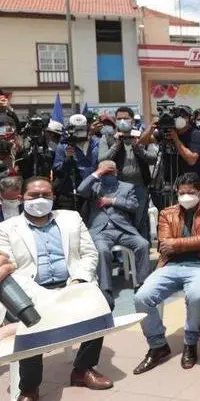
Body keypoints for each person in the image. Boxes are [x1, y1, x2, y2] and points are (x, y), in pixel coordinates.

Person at [0, 177, 113, 399]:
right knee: (31, 319)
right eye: (34, 195)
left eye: (46, 195)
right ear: (22, 197)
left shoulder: (71, 218)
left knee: (102, 303)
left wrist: (78, 281)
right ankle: (29, 386)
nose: (40, 199)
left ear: (53, 197)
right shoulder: (6, 228)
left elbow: (89, 253)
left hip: (72, 284)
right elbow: (10, 269)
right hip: (32, 290)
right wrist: (45, 297)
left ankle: (83, 369)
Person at [132, 173, 200, 374]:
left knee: (197, 295)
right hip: (171, 265)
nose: (186, 196)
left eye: (191, 192)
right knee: (141, 297)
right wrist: (182, 244)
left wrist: (176, 244)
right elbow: (164, 246)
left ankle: (190, 342)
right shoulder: (167, 213)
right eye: (182, 193)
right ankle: (157, 345)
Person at [77, 160, 151, 303]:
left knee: (143, 244)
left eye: (110, 172)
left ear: (117, 172)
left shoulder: (127, 187)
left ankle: (143, 283)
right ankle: (106, 290)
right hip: (101, 231)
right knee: (102, 250)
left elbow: (134, 205)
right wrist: (98, 173)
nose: (108, 175)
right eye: (105, 173)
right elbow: (80, 190)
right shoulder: (94, 187)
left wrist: (113, 201)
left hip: (123, 229)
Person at [98, 106, 158, 238]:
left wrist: (138, 147)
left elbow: (153, 158)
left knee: (140, 221)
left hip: (139, 186)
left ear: (132, 120)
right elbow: (102, 160)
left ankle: (143, 253)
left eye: (126, 118)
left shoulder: (142, 136)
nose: (123, 121)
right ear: (115, 120)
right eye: (119, 118)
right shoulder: (108, 137)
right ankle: (121, 257)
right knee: (119, 220)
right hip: (116, 188)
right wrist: (116, 144)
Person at [53, 114, 99, 213]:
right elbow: (58, 171)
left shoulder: (97, 144)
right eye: (75, 129)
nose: (79, 133)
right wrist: (68, 158)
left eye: (81, 129)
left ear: (87, 127)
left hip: (94, 193)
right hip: (70, 194)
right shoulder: (63, 146)